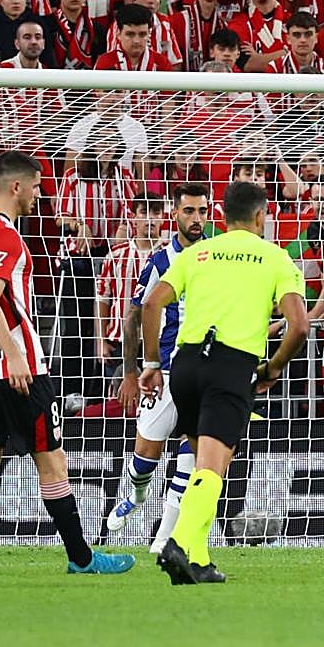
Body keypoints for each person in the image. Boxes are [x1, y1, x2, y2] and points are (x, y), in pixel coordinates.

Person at [0, 151, 135, 577]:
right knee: (52, 462)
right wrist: (13, 353)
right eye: (34, 185)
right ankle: (82, 559)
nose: (39, 193)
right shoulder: (5, 235)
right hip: (16, 369)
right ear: (15, 187)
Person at [143, 181, 308, 585]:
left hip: (183, 367)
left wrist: (150, 362)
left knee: (205, 464)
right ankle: (178, 542)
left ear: (220, 216)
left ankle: (196, 560)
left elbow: (150, 304)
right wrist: (274, 367)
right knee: (214, 469)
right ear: (260, 216)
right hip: (230, 365)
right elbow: (299, 325)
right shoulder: (276, 257)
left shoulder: (197, 253)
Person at [106, 183, 211, 553]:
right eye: (189, 212)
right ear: (175, 213)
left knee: (193, 453)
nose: (196, 219)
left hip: (202, 370)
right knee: (144, 460)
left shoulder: (216, 258)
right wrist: (133, 371)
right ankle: (136, 495)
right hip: (162, 372)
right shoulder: (161, 262)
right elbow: (133, 316)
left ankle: (164, 538)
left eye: (202, 211)